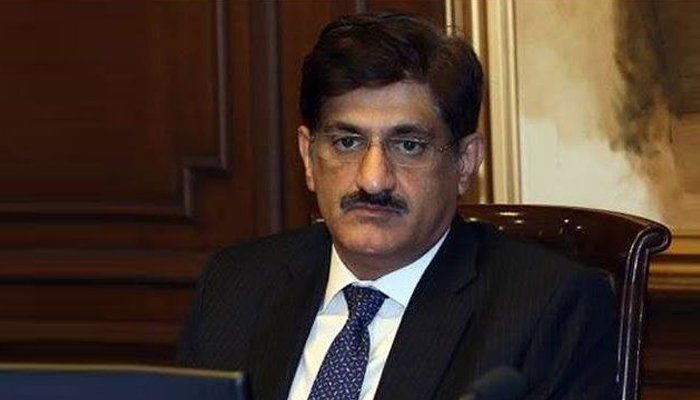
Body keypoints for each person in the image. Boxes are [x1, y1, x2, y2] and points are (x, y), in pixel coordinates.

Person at [178, 12, 619, 400]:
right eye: (347, 142)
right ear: (308, 158)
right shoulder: (237, 285)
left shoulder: (548, 310)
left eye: (408, 145)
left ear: (465, 162)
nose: (373, 179)